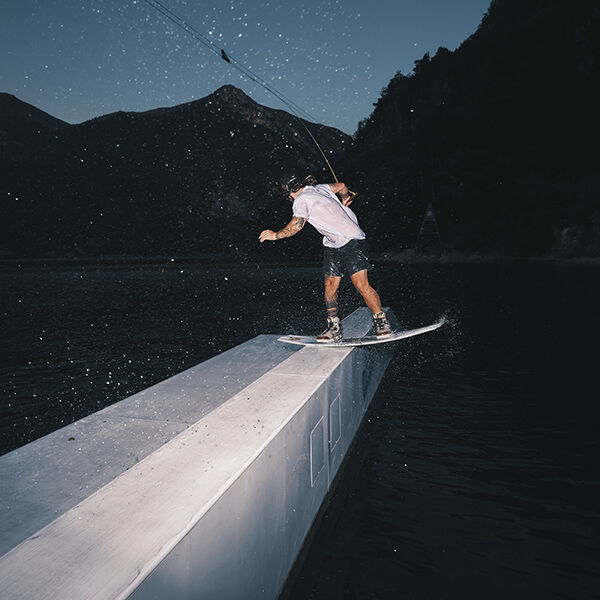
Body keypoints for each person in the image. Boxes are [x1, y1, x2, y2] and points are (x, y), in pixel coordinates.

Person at [259, 174, 391, 342]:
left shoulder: (301, 199)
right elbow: (342, 185)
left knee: (360, 284)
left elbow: (297, 225)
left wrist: (275, 235)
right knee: (329, 286)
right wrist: (345, 197)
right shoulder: (319, 188)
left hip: (351, 239)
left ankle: (381, 322)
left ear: (287, 193)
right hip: (332, 243)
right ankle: (334, 328)